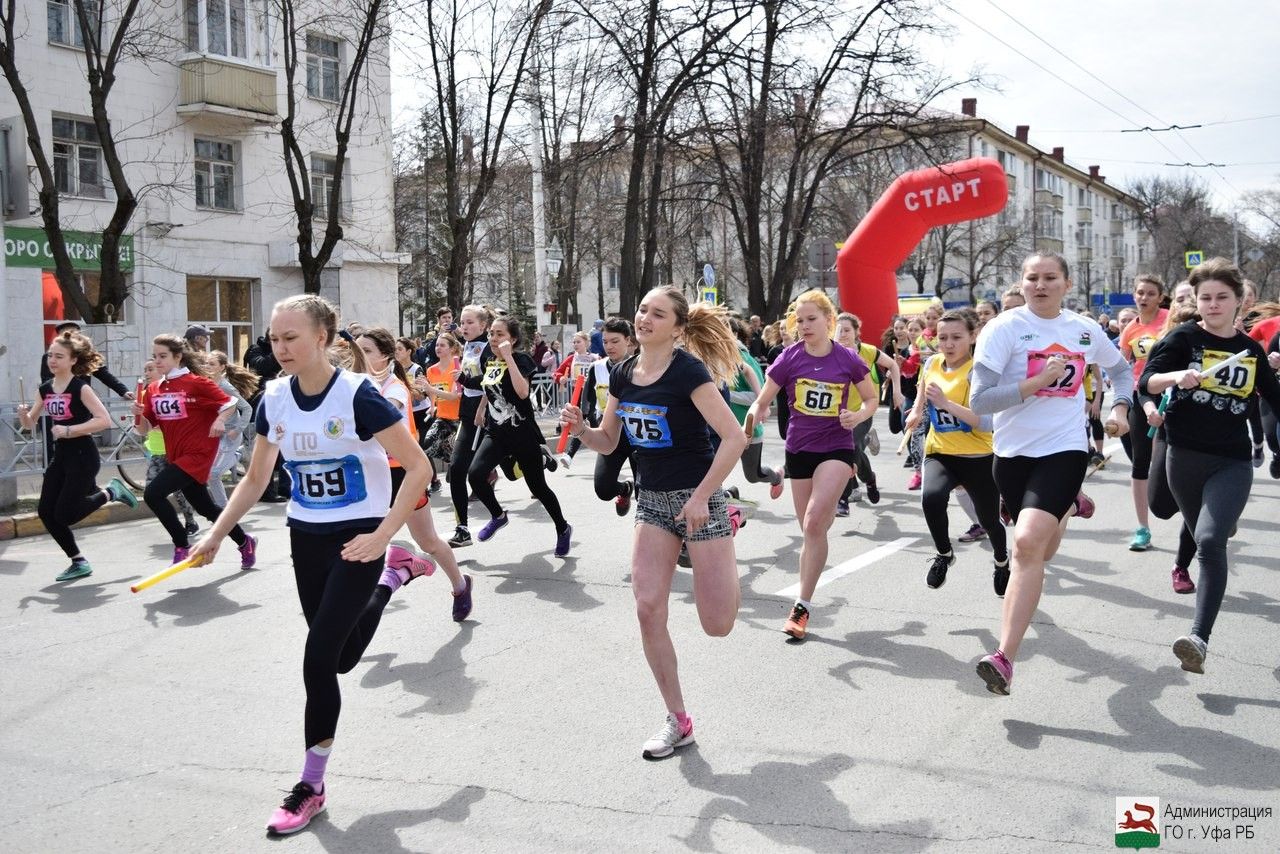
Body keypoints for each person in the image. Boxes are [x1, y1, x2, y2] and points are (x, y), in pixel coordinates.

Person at [189, 295, 431, 835]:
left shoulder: (358, 395)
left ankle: (311, 786)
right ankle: (397, 577)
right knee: (341, 660)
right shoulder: (273, 397)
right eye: (274, 339)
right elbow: (255, 479)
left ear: (323, 338)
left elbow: (418, 466)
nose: (280, 349)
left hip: (359, 539)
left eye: (291, 338)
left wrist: (384, 534)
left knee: (318, 659)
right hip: (308, 538)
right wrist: (216, 533)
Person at [560, 286, 748, 759]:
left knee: (718, 624)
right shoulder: (622, 374)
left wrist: (706, 496)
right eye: (642, 309)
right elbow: (608, 441)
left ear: (678, 328)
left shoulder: (688, 371)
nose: (644, 318)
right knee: (647, 608)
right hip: (653, 503)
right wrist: (582, 428)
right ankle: (677, 719)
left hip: (698, 499)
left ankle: (728, 520)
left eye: (656, 313)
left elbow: (734, 438)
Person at [969, 252, 1132, 695]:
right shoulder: (1003, 329)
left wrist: (1121, 406)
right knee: (1041, 551)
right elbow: (980, 399)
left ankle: (1003, 657)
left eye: (1049, 278)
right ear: (1021, 284)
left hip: (1064, 449)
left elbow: (1120, 370)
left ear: (1067, 283)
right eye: (1031, 278)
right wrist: (1034, 383)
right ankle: (1066, 504)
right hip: (1011, 454)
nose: (1040, 285)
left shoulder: (1083, 330)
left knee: (1024, 545)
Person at [1139, 257, 1280, 676]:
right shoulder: (1184, 337)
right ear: (1196, 301)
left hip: (1231, 460)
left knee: (1210, 540)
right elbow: (1147, 380)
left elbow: (1274, 398)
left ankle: (1198, 638)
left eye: (1222, 297)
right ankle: (1218, 520)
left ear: (1239, 301)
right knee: (1172, 512)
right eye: (1206, 298)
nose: (1213, 305)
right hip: (1182, 456)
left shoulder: (1250, 350)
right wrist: (1176, 376)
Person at [747, 290, 877, 640]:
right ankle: (826, 515)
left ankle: (801, 605)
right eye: (799, 321)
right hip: (799, 450)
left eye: (811, 319)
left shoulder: (847, 359)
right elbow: (764, 399)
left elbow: (870, 398)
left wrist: (859, 415)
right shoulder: (789, 357)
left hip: (836, 447)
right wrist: (755, 411)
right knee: (810, 530)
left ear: (829, 321)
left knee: (814, 521)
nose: (804, 326)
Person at [356, 327, 474, 620]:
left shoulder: (394, 388)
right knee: (360, 540)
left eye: (367, 351)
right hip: (369, 476)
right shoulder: (355, 385)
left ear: (385, 356)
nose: (360, 357)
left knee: (429, 542)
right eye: (357, 351)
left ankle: (460, 585)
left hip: (402, 475)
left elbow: (384, 414)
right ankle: (357, 607)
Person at [17, 330, 138, 581]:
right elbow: (30, 424)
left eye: (59, 356)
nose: (52, 360)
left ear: (73, 360)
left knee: (65, 514)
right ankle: (78, 561)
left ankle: (111, 492)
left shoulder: (80, 388)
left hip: (83, 456)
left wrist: (70, 430)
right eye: (50, 355)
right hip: (61, 455)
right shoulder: (45, 389)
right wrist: (24, 416)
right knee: (46, 513)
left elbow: (103, 421)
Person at [903, 309, 1008, 590]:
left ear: (973, 337)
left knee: (988, 519)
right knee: (931, 498)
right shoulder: (932, 363)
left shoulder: (979, 372)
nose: (948, 344)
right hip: (941, 452)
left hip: (978, 457)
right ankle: (944, 554)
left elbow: (987, 423)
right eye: (942, 337)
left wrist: (948, 405)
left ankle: (1001, 561)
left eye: (956, 338)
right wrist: (915, 412)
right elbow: (922, 395)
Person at [134, 334, 257, 567]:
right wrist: (138, 412)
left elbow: (229, 403)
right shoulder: (154, 389)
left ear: (178, 357)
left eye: (163, 356)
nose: (157, 362)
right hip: (177, 457)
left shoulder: (196, 383)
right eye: (154, 357)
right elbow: (144, 429)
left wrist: (220, 420)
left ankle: (182, 544)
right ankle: (245, 541)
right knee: (206, 508)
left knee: (153, 494)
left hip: (198, 455)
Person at [466, 316, 573, 556]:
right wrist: (482, 409)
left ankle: (563, 528)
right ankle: (498, 515)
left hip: (522, 433)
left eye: (500, 334)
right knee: (475, 475)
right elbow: (489, 386)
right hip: (496, 432)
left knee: (538, 486)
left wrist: (509, 359)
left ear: (512, 339)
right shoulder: (488, 359)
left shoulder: (522, 359)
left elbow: (523, 393)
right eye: (492, 334)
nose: (494, 339)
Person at [1117, 274, 1169, 552]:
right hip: (1141, 395)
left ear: (1160, 297)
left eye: (1150, 293)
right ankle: (1142, 529)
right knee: (1140, 462)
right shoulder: (1130, 330)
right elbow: (1122, 367)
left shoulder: (1170, 321)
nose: (1144, 298)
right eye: (1140, 293)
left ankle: (1198, 516)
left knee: (1175, 457)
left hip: (1172, 395)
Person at [833, 312, 902, 512]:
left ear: (856, 332)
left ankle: (842, 500)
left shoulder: (868, 351)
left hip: (863, 411)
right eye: (839, 330)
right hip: (838, 414)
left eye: (847, 330)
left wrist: (896, 391)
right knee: (850, 450)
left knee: (847, 446)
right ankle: (869, 478)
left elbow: (892, 366)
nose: (843, 334)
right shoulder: (830, 352)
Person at [446, 305, 494, 548]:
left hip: (490, 413)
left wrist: (464, 379)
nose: (464, 327)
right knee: (456, 469)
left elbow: (489, 381)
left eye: (469, 323)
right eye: (462, 323)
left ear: (483, 325)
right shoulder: (468, 344)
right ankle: (462, 528)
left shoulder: (490, 347)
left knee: (512, 469)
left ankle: (528, 457)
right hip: (468, 414)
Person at [139, 359, 199, 537]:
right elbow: (142, 426)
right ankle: (178, 528)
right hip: (156, 450)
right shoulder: (144, 394)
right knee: (151, 491)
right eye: (145, 369)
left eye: (151, 369)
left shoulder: (171, 391)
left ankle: (190, 521)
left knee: (178, 491)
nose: (147, 373)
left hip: (174, 450)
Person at [726, 317, 784, 500]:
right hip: (724, 427)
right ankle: (723, 500)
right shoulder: (716, 358)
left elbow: (758, 398)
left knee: (753, 475)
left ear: (734, 334)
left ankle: (776, 476)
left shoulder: (744, 359)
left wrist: (725, 394)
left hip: (748, 425)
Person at [589, 318, 639, 514]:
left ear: (628, 340)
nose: (609, 346)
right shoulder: (598, 368)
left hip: (638, 436)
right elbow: (588, 402)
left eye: (615, 341)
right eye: (605, 341)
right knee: (603, 489)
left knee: (646, 498)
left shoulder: (641, 368)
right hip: (611, 435)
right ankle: (625, 489)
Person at [206, 350, 258, 508]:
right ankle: (222, 509)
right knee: (209, 474)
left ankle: (223, 510)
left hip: (230, 436)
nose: (207, 366)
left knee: (213, 474)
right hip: (214, 435)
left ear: (222, 367)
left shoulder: (225, 387)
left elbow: (247, 408)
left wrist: (237, 429)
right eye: (206, 363)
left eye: (212, 364)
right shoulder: (206, 384)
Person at [244, 329, 289, 503]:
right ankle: (265, 491)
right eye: (276, 339)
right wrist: (277, 352)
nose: (282, 344)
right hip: (261, 402)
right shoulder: (256, 349)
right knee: (265, 447)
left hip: (284, 399)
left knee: (285, 444)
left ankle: (286, 488)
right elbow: (261, 366)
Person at [420, 333, 462, 493]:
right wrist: (432, 405)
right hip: (442, 416)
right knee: (428, 444)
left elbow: (453, 396)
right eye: (437, 345)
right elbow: (432, 393)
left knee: (458, 449)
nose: (438, 348)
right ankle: (454, 463)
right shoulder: (431, 370)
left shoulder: (457, 367)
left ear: (452, 349)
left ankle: (460, 466)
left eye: (442, 345)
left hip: (459, 417)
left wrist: (431, 389)